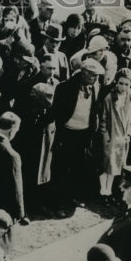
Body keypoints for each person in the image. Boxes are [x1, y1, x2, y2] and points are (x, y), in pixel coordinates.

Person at [51, 58, 101, 212]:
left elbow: (94, 110)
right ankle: (57, 202)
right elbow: (57, 113)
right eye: (93, 75)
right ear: (84, 73)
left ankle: (73, 197)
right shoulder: (64, 87)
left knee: (78, 168)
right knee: (61, 169)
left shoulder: (95, 87)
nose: (96, 79)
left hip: (84, 134)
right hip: (66, 134)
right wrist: (58, 136)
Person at [0, 111, 28, 227]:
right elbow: (17, 189)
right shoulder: (12, 155)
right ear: (12, 131)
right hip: (1, 210)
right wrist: (20, 213)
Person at [96, 71, 131, 198]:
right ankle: (103, 191)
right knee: (107, 165)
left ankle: (109, 191)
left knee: (116, 167)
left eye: (126, 84)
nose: (123, 87)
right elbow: (103, 119)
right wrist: (105, 136)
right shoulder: (109, 98)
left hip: (123, 138)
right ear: (116, 83)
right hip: (111, 135)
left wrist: (130, 133)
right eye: (121, 83)